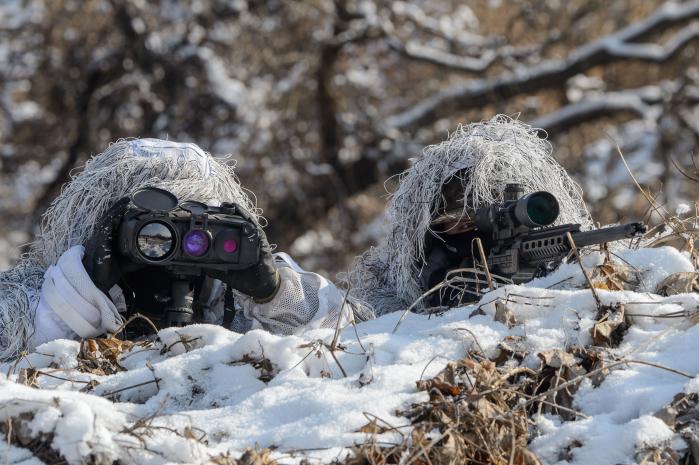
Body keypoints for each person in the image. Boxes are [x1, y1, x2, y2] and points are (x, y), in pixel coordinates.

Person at [0, 116, 592, 361]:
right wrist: (74, 297)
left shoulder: (246, 311)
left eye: (198, 225)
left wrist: (271, 287)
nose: (176, 243)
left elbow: (344, 339)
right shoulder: (23, 300)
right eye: (146, 229)